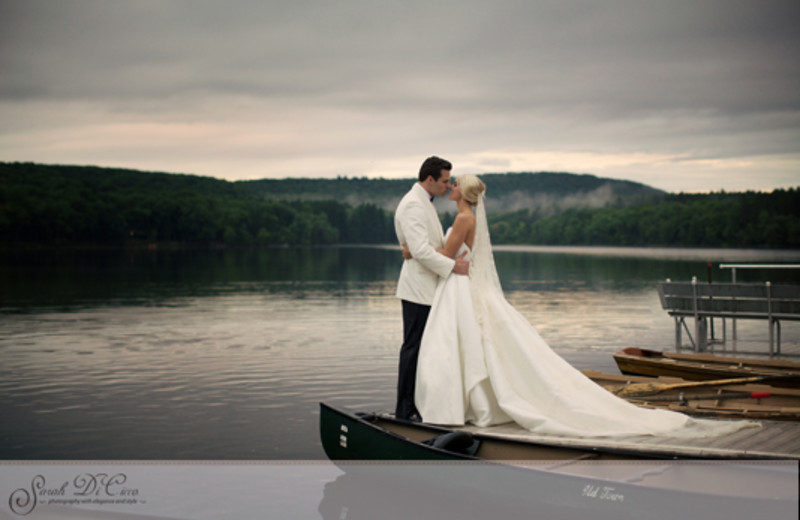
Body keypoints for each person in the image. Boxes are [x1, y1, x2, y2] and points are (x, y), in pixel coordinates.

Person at [408, 174, 756, 438]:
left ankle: (474, 404)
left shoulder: (463, 219)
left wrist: (412, 250)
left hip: (464, 288)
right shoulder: (469, 218)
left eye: (454, 184)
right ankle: (479, 402)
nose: (449, 186)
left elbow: (444, 255)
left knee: (469, 345)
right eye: (448, 182)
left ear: (462, 194)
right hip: (468, 287)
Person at [393, 156, 469, 421]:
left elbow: (421, 249)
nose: (448, 186)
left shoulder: (424, 202)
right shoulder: (413, 204)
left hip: (430, 289)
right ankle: (404, 410)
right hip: (417, 290)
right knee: (413, 348)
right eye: (445, 181)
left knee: (425, 349)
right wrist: (453, 266)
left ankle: (420, 404)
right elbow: (421, 251)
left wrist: (418, 252)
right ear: (429, 179)